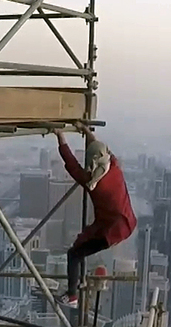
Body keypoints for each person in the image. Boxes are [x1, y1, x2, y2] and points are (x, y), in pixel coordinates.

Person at [54, 125, 137, 305]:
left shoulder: (92, 182)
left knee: (74, 254)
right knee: (81, 244)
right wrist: (87, 132)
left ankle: (72, 295)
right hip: (127, 223)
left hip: (109, 231)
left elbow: (71, 163)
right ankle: (74, 290)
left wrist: (60, 136)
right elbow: (102, 150)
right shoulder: (115, 167)